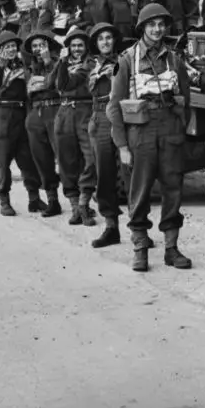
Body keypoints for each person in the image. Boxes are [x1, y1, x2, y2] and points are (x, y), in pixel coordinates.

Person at [106, 3, 193, 272]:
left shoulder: (174, 59)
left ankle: (171, 249)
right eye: (152, 24)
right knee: (140, 191)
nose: (157, 29)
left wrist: (179, 128)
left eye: (161, 24)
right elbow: (114, 106)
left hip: (169, 128)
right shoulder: (126, 60)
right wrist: (122, 145)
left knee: (173, 189)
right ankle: (140, 248)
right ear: (142, 28)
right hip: (140, 131)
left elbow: (186, 99)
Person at [0, 31, 52, 217]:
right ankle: (4, 201)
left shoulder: (23, 66)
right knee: (4, 161)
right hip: (3, 116)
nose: (11, 49)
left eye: (13, 46)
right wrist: (0, 65)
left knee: (27, 159)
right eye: (7, 47)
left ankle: (34, 198)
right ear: (0, 50)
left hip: (22, 113)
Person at [86, 23, 126, 249]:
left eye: (108, 38)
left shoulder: (125, 61)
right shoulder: (90, 65)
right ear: (95, 43)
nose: (105, 42)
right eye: (100, 39)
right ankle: (111, 227)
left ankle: (139, 230)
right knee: (105, 173)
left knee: (132, 173)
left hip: (124, 115)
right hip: (101, 115)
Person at [53, 26, 98, 227]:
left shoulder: (90, 63)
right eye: (73, 46)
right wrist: (59, 63)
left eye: (80, 45)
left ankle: (84, 203)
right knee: (66, 161)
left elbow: (67, 84)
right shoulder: (62, 62)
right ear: (68, 48)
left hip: (85, 110)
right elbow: (52, 82)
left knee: (91, 159)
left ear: (86, 47)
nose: (77, 49)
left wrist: (61, 66)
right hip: (64, 112)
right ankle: (74, 207)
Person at [20, 28, 65, 217]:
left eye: (42, 45)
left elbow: (59, 84)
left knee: (65, 157)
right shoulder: (28, 68)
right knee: (42, 159)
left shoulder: (58, 62)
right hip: (35, 113)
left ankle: (80, 202)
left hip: (55, 110)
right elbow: (27, 90)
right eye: (35, 46)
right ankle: (52, 200)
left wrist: (48, 64)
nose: (38, 49)